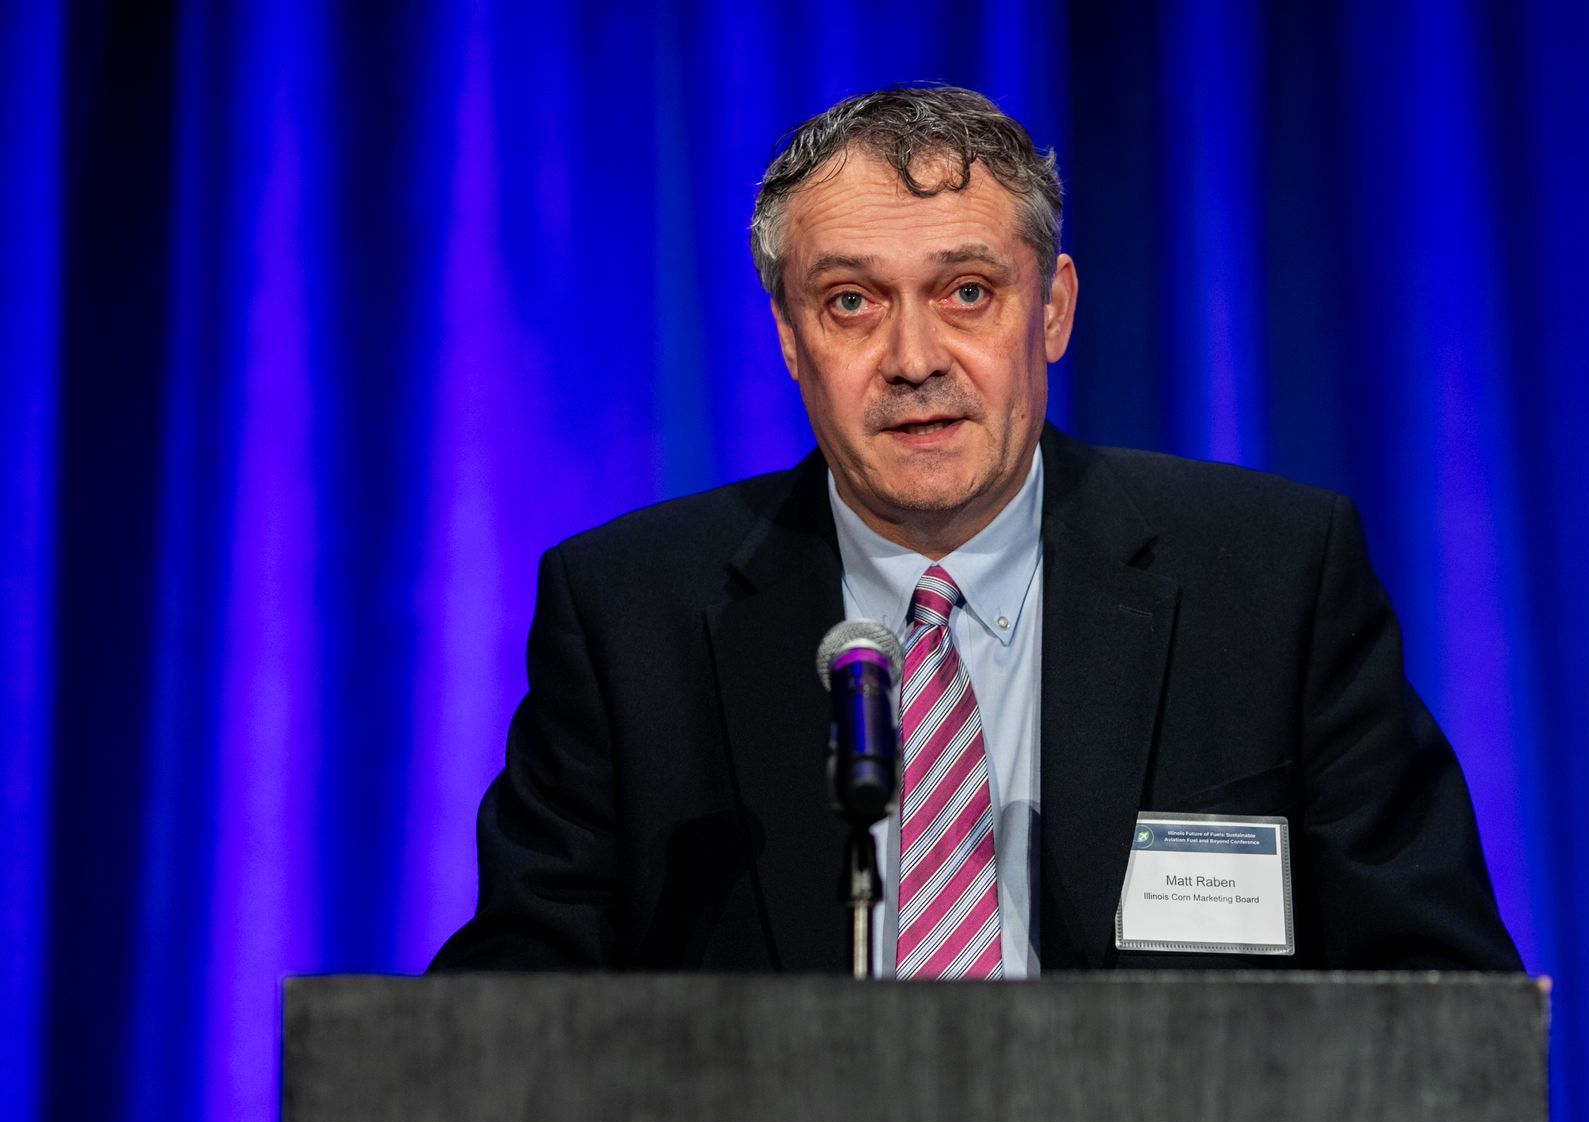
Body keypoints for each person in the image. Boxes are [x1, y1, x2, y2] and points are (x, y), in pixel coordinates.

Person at [430, 87, 1520, 976]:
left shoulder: (1272, 582)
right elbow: (509, 1025)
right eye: (852, 301)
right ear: (790, 337)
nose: (914, 356)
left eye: (965, 291)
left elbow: (1436, 996)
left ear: (1051, 310)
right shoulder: (631, 616)